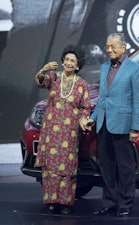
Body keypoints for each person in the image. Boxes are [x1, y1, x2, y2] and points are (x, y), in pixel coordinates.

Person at [82, 33, 139, 217]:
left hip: (123, 125)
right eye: (107, 47)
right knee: (106, 166)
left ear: (123, 47)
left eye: (113, 46)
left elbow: (137, 101)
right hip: (104, 124)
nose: (109, 50)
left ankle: (125, 203)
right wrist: (93, 117)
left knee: (125, 167)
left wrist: (135, 128)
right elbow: (103, 97)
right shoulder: (104, 68)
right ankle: (109, 202)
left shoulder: (134, 69)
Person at [34, 45, 91, 215]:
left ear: (78, 65)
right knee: (51, 166)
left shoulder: (81, 84)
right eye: (66, 59)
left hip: (69, 131)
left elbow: (86, 107)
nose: (68, 63)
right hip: (51, 129)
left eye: (72, 61)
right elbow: (39, 82)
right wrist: (44, 69)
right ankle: (51, 200)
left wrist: (83, 119)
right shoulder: (54, 78)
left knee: (66, 167)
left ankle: (65, 202)